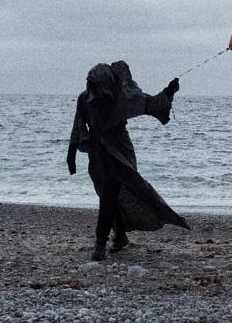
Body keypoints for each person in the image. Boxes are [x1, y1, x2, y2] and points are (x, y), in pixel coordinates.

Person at [67, 60, 189, 261]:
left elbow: (150, 104)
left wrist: (169, 91)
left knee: (109, 193)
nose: (92, 88)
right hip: (98, 154)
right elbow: (78, 124)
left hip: (120, 153)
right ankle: (120, 236)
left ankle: (100, 243)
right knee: (107, 195)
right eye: (90, 83)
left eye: (96, 84)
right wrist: (70, 156)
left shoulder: (121, 98)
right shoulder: (84, 99)